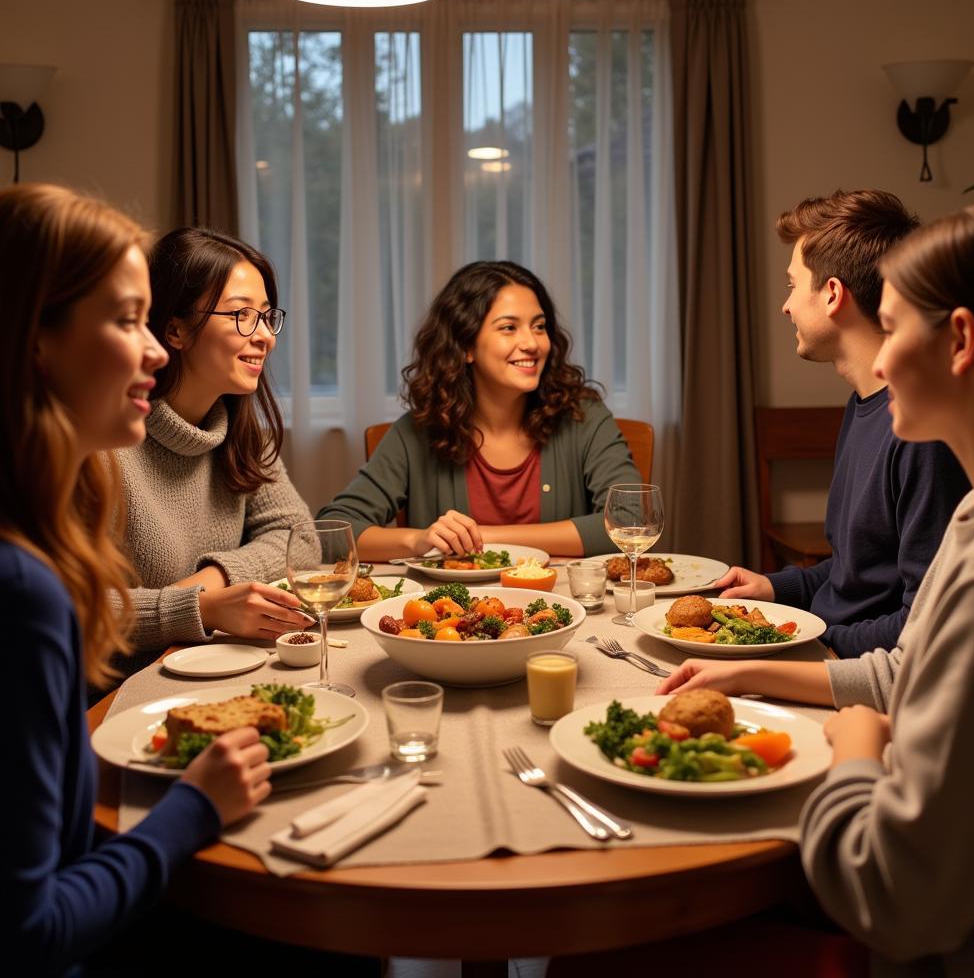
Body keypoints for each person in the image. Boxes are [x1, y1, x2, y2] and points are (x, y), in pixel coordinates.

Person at [660, 199, 974, 972]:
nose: (880, 360)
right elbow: (911, 668)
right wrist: (753, 668)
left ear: (959, 339)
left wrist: (857, 748)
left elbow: (896, 898)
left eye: (893, 329)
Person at [1, 185, 270, 975]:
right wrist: (194, 806)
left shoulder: (37, 541)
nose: (154, 348)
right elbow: (30, 935)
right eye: (127, 321)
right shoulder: (24, 590)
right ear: (35, 342)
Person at [717, 190, 968, 657]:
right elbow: (857, 574)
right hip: (830, 644)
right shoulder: (862, 404)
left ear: (832, 294)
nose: (786, 306)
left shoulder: (921, 434)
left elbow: (923, 624)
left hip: (855, 668)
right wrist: (776, 590)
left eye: (792, 285)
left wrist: (807, 644)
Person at [318, 260, 642, 559]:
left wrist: (484, 536)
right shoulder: (417, 433)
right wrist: (418, 541)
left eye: (539, 326)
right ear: (466, 346)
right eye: (509, 328)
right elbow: (331, 531)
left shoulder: (583, 417)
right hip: (452, 618)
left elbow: (631, 521)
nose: (532, 343)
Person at [114, 228, 316, 671]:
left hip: (216, 666)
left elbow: (300, 539)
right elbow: (73, 609)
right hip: (114, 690)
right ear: (175, 330)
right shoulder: (106, 441)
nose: (265, 336)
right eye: (242, 315)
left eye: (267, 316)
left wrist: (216, 579)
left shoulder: (242, 431)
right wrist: (199, 608)